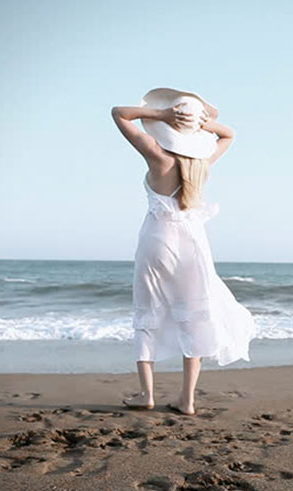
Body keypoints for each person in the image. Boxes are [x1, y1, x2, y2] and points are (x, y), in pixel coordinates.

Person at [110, 87, 256, 416]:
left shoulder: (156, 155)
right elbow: (229, 134)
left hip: (157, 239)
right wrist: (200, 123)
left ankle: (146, 394)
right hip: (193, 241)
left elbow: (119, 112)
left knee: (147, 312)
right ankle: (187, 400)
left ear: (169, 125)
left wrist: (162, 115)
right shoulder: (203, 162)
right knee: (194, 315)